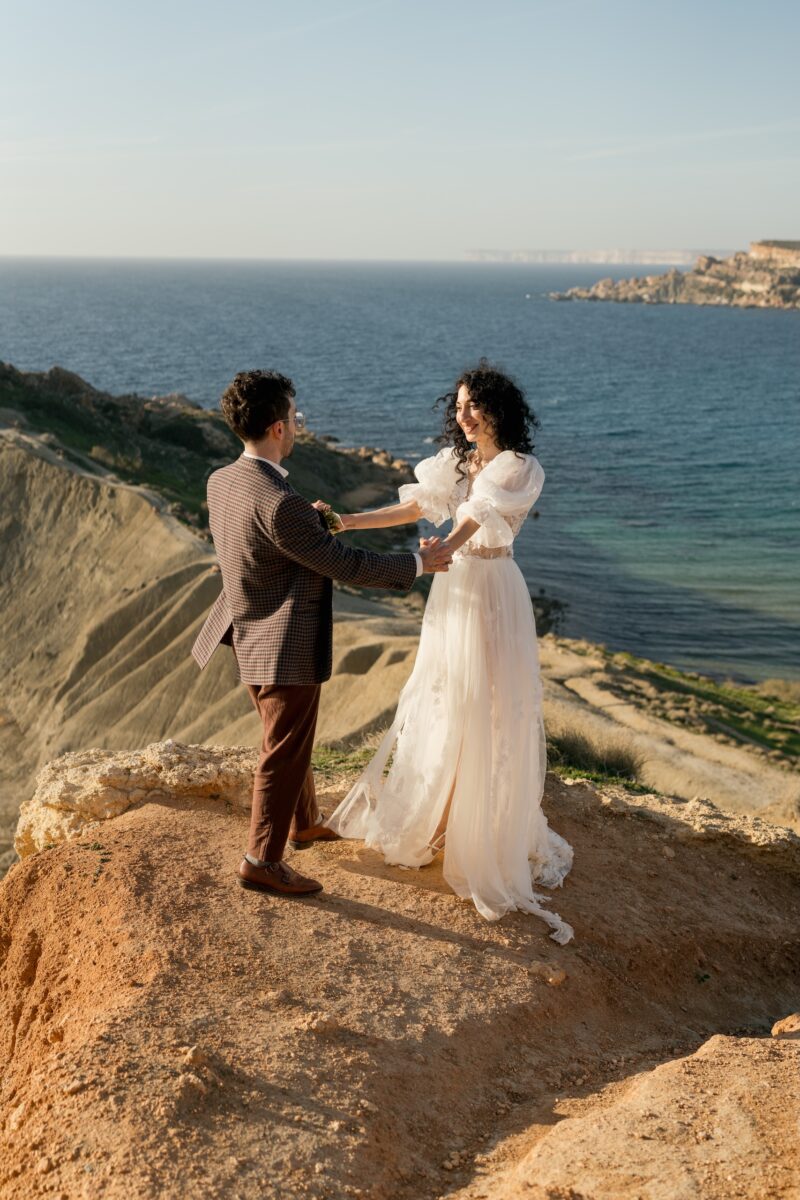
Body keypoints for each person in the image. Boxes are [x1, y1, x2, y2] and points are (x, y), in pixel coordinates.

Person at [324, 361, 574, 943]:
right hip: (454, 585)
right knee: (444, 696)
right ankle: (438, 815)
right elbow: (416, 509)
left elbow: (474, 519)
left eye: (473, 406)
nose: (462, 416)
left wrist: (440, 550)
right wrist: (347, 521)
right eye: (458, 406)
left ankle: (481, 829)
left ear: (499, 411)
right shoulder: (455, 464)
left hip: (492, 587)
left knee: (491, 702)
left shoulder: (518, 468)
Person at [191, 369, 453, 899]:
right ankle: (262, 861)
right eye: (295, 417)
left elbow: (265, 540)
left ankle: (304, 823)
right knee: (282, 751)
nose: (297, 424)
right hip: (282, 638)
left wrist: (308, 526)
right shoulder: (280, 501)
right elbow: (342, 563)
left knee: (290, 739)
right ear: (279, 428)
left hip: (246, 629)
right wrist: (417, 563)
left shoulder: (224, 480)